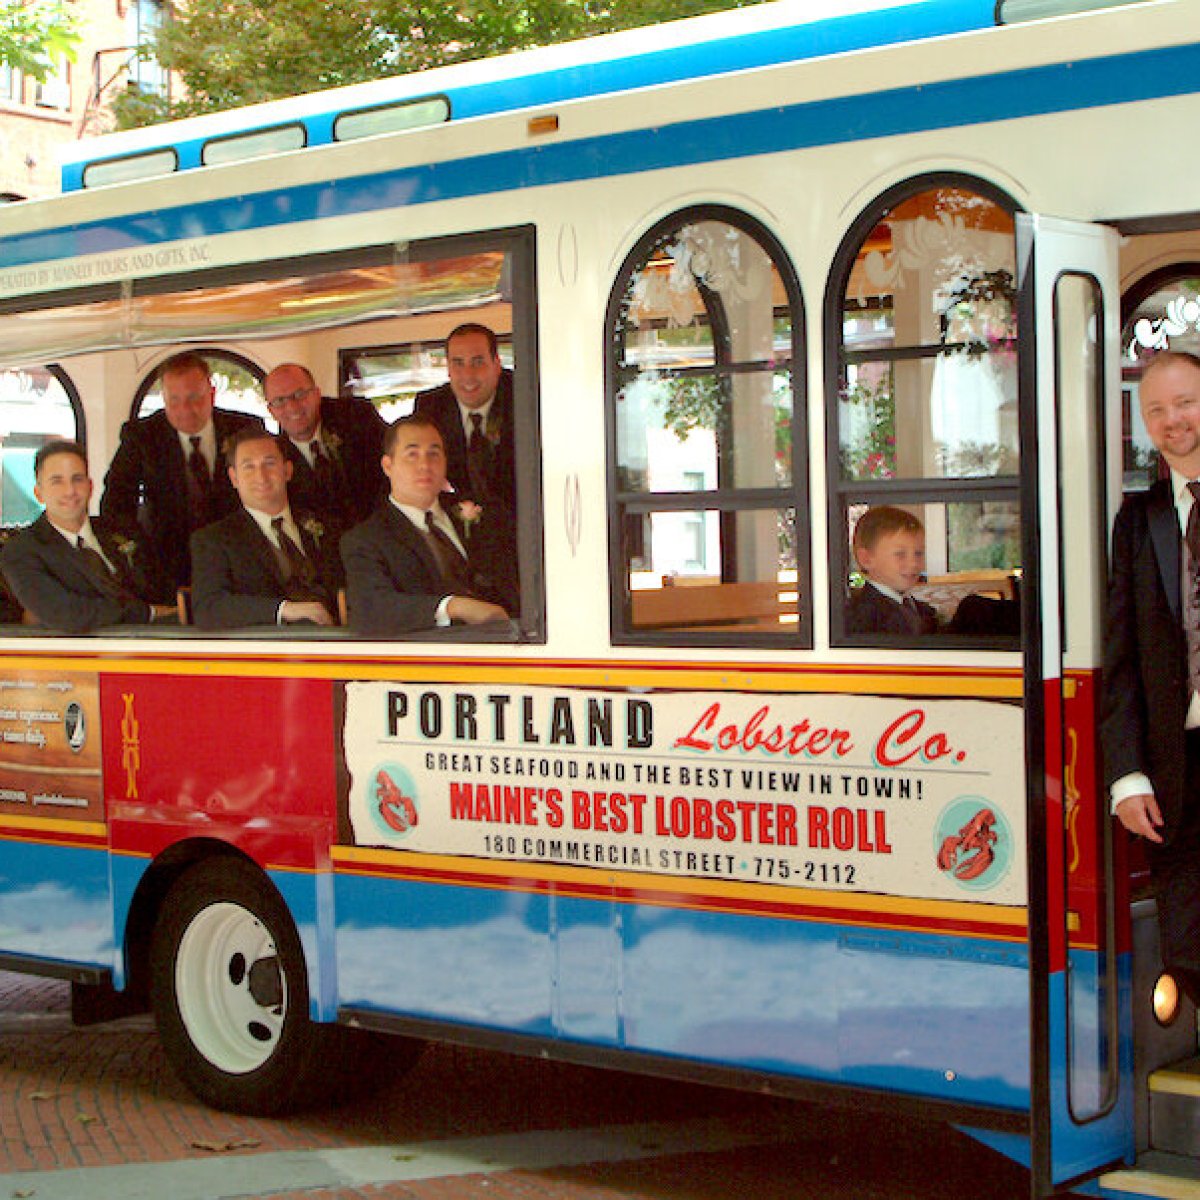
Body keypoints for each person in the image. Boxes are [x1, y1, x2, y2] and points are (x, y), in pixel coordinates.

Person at [1101, 349, 1200, 1007]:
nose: (1173, 421)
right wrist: (1127, 775)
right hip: (1177, 767)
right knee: (1190, 951)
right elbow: (1122, 656)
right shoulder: (1137, 521)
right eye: (1156, 409)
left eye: (1186, 402)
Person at [99, 352, 263, 600]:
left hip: (239, 560)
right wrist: (139, 560)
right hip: (167, 566)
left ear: (212, 393)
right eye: (174, 400)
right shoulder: (141, 436)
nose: (185, 409)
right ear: (163, 399)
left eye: (194, 398)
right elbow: (116, 504)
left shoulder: (245, 429)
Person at [340, 415, 508, 637]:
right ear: (388, 465)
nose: (425, 465)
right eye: (412, 454)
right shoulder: (365, 539)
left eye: (434, 454)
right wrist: (451, 607)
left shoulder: (485, 514)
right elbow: (372, 609)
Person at [1, 440, 172, 632]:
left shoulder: (124, 531)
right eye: (57, 481)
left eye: (77, 479)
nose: (70, 491)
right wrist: (146, 613)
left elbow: (162, 588)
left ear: (90, 487)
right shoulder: (22, 551)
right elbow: (65, 614)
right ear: (38, 493)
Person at [190, 427, 343, 631]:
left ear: (287, 471)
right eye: (249, 467)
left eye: (269, 463)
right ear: (234, 478)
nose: (261, 475)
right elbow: (208, 609)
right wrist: (282, 610)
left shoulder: (329, 527)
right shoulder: (213, 540)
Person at [414, 323, 519, 611]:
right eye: (457, 364)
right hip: (463, 539)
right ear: (447, 369)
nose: (468, 375)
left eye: (478, 362)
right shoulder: (430, 407)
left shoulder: (526, 397)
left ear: (497, 364)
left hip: (524, 532)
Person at [264, 362, 388, 531]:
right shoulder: (275, 460)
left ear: (317, 394)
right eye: (279, 401)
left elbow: (391, 472)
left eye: (299, 394)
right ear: (271, 410)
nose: (292, 407)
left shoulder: (357, 420)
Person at [845, 505, 938, 635]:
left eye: (918, 553)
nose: (913, 563)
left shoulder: (922, 611)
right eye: (900, 554)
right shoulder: (863, 618)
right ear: (866, 559)